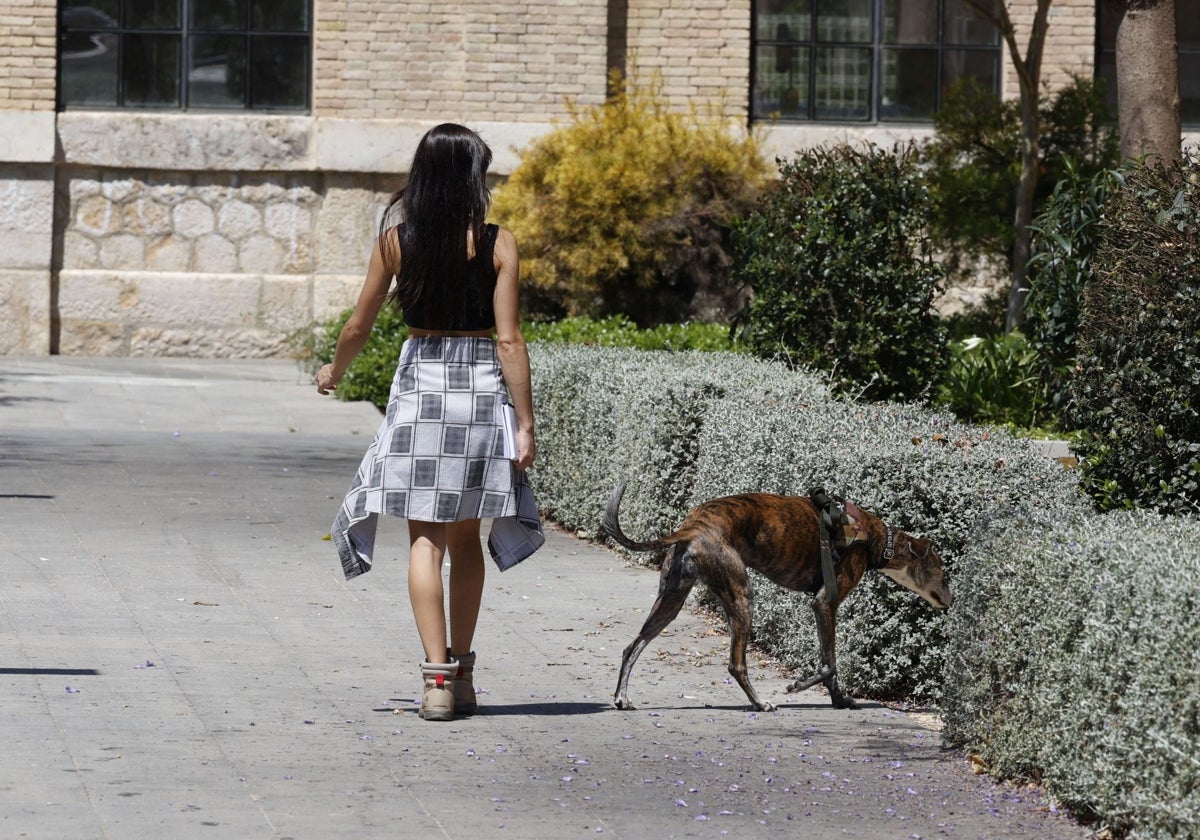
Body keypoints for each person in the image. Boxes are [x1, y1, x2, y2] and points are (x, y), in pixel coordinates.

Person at [317, 123, 538, 722]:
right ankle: (463, 674)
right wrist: (525, 423)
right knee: (466, 538)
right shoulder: (499, 245)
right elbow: (510, 342)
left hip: (421, 390)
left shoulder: (396, 242)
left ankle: (435, 680)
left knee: (424, 540)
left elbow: (358, 325)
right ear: (470, 180)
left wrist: (333, 371)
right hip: (479, 392)